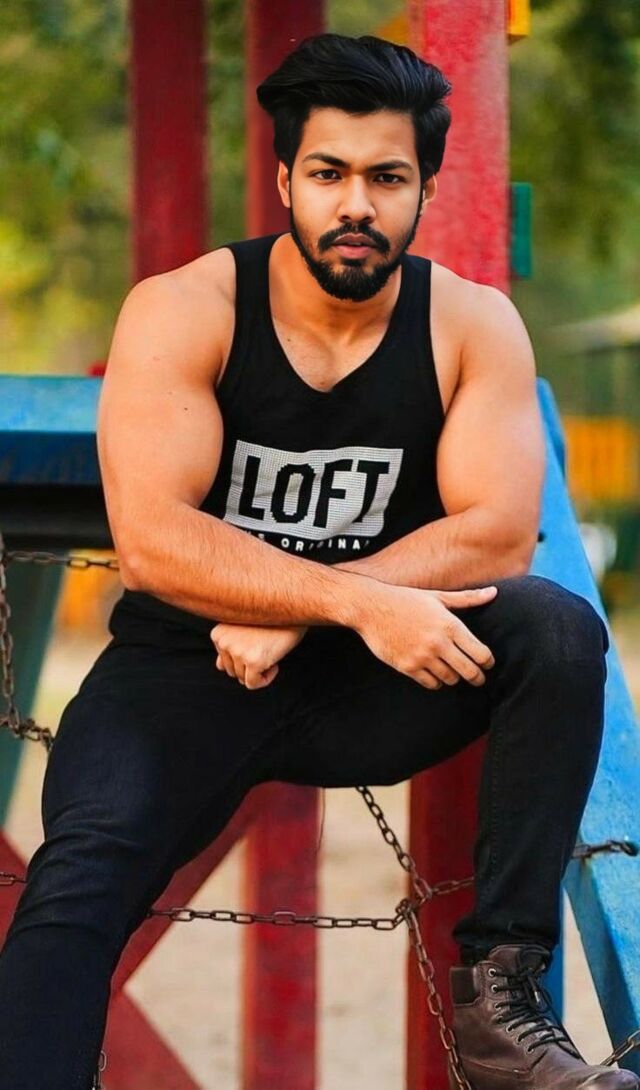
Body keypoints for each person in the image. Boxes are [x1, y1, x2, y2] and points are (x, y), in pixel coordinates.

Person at [0, 32, 631, 1090]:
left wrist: (311, 611)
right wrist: (352, 599)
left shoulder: (472, 324)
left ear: (425, 189)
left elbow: (497, 531)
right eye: (330, 173)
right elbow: (152, 541)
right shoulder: (185, 308)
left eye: (387, 178)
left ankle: (501, 1001)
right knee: (76, 884)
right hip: (188, 668)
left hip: (378, 676)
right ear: (287, 178)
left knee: (555, 629)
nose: (356, 205)